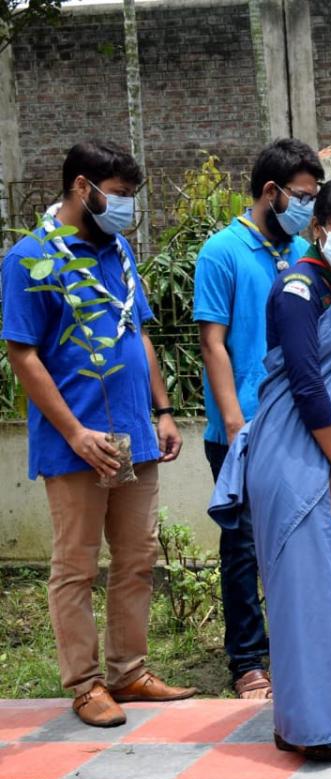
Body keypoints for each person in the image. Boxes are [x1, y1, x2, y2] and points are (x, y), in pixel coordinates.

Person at [209, 179, 331, 760]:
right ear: (318, 228)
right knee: (310, 590)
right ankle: (312, 725)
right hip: (301, 455)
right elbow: (306, 380)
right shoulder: (298, 288)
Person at [2, 141, 194, 727]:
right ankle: (85, 684)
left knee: (136, 558)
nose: (127, 206)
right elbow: (23, 354)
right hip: (77, 443)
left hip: (135, 433)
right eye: (119, 195)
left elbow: (139, 333)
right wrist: (76, 432)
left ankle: (129, 671)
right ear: (82, 187)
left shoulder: (117, 251)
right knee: (77, 566)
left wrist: (164, 410)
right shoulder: (32, 259)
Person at [194, 137, 324, 701]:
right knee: (243, 547)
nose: (308, 207)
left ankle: (299, 648)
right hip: (243, 429)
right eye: (302, 196)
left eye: (314, 197)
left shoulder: (303, 251)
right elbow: (213, 343)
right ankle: (247, 659)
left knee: (302, 540)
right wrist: (234, 424)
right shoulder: (221, 252)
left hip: (297, 422)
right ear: (271, 192)